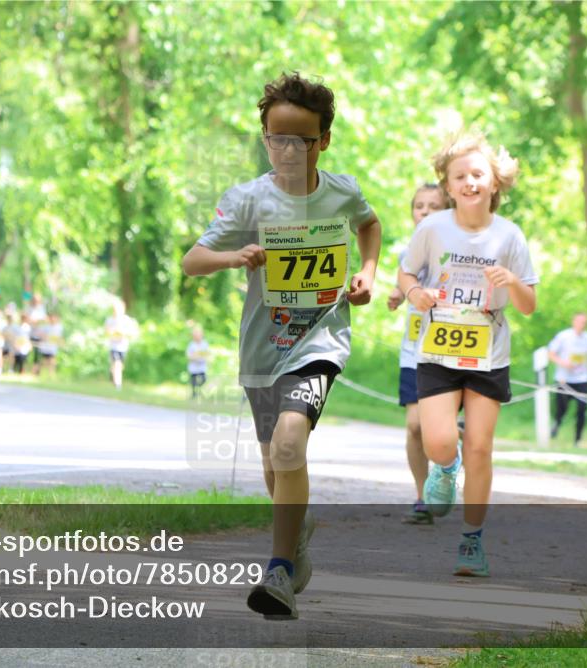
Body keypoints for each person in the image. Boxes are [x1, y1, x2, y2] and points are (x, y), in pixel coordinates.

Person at [182, 72, 381, 619]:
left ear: (325, 140)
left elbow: (369, 225)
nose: (290, 150)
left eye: (303, 140)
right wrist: (234, 257)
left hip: (321, 339)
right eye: (278, 138)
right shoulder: (248, 201)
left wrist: (366, 273)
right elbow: (192, 261)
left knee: (291, 446)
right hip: (263, 350)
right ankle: (294, 538)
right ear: (265, 137)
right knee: (276, 463)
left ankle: (279, 573)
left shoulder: (342, 191)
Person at [399, 129, 537, 578]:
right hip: (438, 352)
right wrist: (416, 291)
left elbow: (529, 304)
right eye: (460, 176)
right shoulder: (432, 228)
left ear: (494, 182)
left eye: (478, 174)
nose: (470, 182)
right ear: (448, 185)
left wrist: (511, 282)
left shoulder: (509, 236)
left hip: (488, 356)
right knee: (439, 441)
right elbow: (404, 274)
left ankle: (472, 541)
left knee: (480, 448)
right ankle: (444, 467)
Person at [387, 184, 449, 525]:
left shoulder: (459, 248)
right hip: (415, 352)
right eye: (419, 206)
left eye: (433, 206)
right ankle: (422, 497)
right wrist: (398, 295)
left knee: (442, 430)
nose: (424, 212)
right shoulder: (406, 252)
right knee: (414, 427)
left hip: (452, 353)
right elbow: (404, 281)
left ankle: (447, 472)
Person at [548, 313, 587, 447]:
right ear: (574, 321)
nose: (582, 324)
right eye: (580, 321)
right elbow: (551, 353)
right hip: (564, 378)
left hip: (582, 379)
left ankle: (578, 440)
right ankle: (557, 423)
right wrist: (563, 363)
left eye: (585, 322)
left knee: (582, 409)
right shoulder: (563, 336)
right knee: (561, 408)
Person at [104, 301, 138, 390]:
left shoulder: (126, 320)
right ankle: (118, 384)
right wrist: (114, 331)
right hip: (113, 346)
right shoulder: (110, 320)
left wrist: (122, 332)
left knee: (119, 365)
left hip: (123, 347)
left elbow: (131, 332)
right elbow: (107, 331)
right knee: (117, 364)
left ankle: (113, 375)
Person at [34, 312, 63, 378]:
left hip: (53, 347)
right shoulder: (45, 327)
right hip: (45, 346)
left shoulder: (59, 327)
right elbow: (39, 334)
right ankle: (38, 371)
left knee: (52, 360)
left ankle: (51, 374)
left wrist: (60, 342)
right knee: (44, 361)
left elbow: (59, 337)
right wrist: (44, 337)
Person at [186, 326, 210, 399]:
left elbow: (207, 354)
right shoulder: (191, 344)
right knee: (193, 381)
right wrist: (197, 356)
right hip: (193, 367)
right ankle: (194, 394)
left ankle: (198, 390)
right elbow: (189, 355)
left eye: (199, 335)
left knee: (203, 379)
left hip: (202, 367)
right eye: (195, 335)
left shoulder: (205, 344)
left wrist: (198, 355)